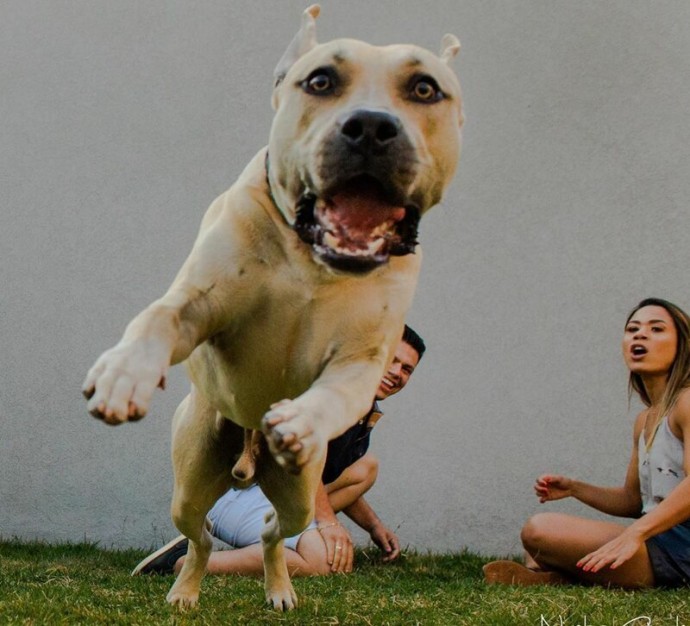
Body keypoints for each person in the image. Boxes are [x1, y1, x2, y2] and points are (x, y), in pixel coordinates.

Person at [133, 325, 426, 578]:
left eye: (407, 369)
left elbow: (321, 476)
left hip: (270, 492)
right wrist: (329, 523)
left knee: (366, 468)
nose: (396, 373)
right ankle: (182, 562)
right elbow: (304, 464)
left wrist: (375, 527)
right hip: (236, 493)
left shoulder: (361, 407)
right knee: (320, 561)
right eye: (392, 360)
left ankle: (287, 539)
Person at [484, 298, 690, 589]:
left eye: (656, 329)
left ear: (683, 345)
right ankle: (558, 578)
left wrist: (635, 534)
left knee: (540, 530)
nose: (640, 334)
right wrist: (574, 488)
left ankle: (563, 577)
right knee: (539, 541)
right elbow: (633, 501)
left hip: (682, 545)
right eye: (633, 329)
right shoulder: (645, 420)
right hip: (656, 538)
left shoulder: (687, 402)